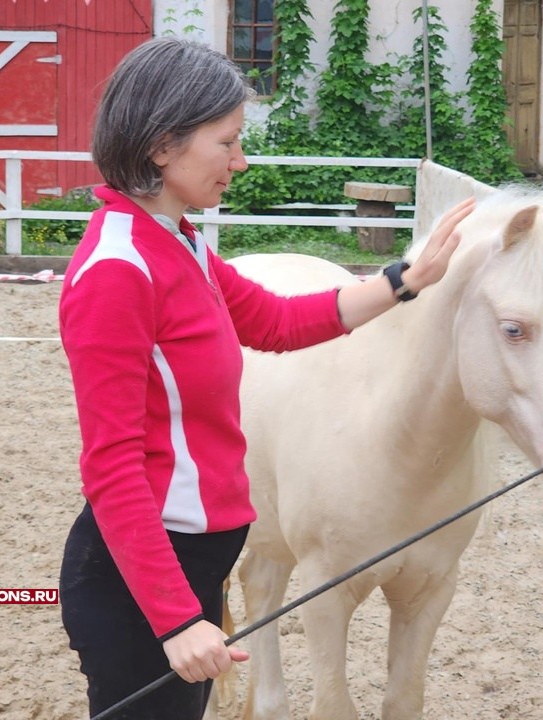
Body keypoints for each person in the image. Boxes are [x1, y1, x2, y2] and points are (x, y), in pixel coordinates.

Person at [57, 36, 474, 720]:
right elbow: (111, 468)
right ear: (163, 146)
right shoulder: (118, 271)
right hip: (143, 581)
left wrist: (405, 280)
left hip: (193, 561)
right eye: (227, 143)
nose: (240, 161)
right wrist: (174, 620)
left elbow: (276, 322)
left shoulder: (178, 241)